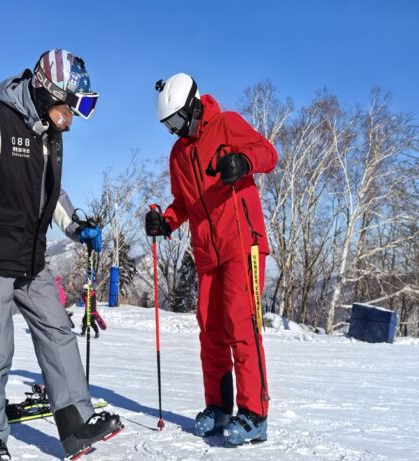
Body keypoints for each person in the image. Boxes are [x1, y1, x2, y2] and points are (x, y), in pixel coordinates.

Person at [0, 49, 122, 461]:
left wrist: (76, 226)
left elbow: (51, 192)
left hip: (28, 260)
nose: (72, 118)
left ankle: (75, 425)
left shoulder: (50, 135)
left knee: (58, 331)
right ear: (46, 90)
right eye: (69, 107)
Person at [146, 73, 277, 445]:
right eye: (167, 125)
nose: (174, 131)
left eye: (176, 121)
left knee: (242, 325)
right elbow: (184, 204)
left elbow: (269, 153)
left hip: (242, 243)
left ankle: (255, 414)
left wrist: (243, 161)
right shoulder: (178, 154)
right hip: (208, 251)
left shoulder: (227, 124)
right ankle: (219, 407)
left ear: (193, 106)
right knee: (211, 332)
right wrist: (165, 222)